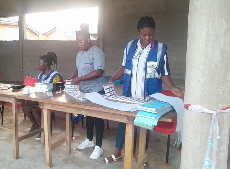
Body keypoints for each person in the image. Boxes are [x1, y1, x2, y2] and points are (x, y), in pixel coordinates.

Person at [102, 16, 184, 164]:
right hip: (130, 95)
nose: (147, 38)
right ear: (138, 33)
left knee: (144, 127)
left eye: (151, 35)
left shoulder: (160, 49)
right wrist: (113, 79)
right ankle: (117, 153)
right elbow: (124, 67)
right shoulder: (130, 46)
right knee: (123, 122)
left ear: (154, 32)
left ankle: (142, 157)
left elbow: (164, 72)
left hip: (149, 97)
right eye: (144, 35)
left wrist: (172, 87)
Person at [69, 23, 106, 159]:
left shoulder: (97, 53)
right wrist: (73, 77)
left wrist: (80, 78)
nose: (79, 44)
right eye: (77, 42)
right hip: (84, 92)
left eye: (81, 41)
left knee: (97, 117)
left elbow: (98, 71)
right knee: (88, 116)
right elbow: (78, 68)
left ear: (88, 39)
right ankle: (90, 140)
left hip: (97, 91)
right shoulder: (80, 54)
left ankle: (99, 146)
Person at [22, 52, 62, 141]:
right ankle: (38, 126)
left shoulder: (55, 75)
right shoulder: (40, 75)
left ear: (46, 64)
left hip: (50, 100)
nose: (38, 65)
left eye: (40, 63)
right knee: (26, 108)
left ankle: (43, 130)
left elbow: (57, 91)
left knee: (34, 109)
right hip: (39, 99)